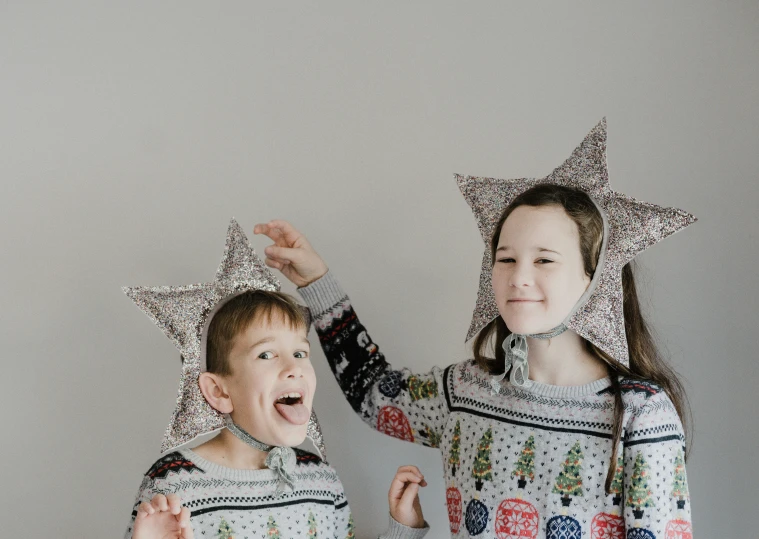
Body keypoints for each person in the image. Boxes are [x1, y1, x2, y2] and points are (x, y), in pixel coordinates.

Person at [255, 120, 696, 538]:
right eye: (505, 259)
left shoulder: (641, 414)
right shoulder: (467, 390)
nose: (519, 277)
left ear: (594, 277)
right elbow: (373, 393)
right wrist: (316, 282)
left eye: (544, 259)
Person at [123, 219, 430, 539]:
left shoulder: (321, 479)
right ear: (218, 391)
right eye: (266, 355)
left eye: (300, 353)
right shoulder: (171, 488)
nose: (293, 367)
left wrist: (403, 530)